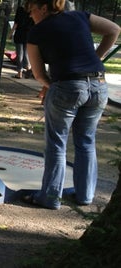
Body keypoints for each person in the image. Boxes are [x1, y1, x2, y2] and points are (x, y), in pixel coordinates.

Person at [24, 0, 120, 209]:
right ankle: (85, 196)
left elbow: (39, 74)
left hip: (67, 87)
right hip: (98, 85)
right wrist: (96, 59)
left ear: (43, 7)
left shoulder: (37, 32)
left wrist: (52, 86)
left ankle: (49, 197)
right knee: (86, 141)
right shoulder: (80, 16)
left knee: (57, 144)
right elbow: (114, 29)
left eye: (31, 10)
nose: (30, 16)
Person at [9, 4, 34, 79]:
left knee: (19, 53)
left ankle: (19, 72)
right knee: (26, 53)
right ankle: (28, 67)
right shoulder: (33, 10)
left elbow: (16, 22)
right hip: (28, 34)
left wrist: (11, 33)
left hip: (19, 33)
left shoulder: (20, 9)